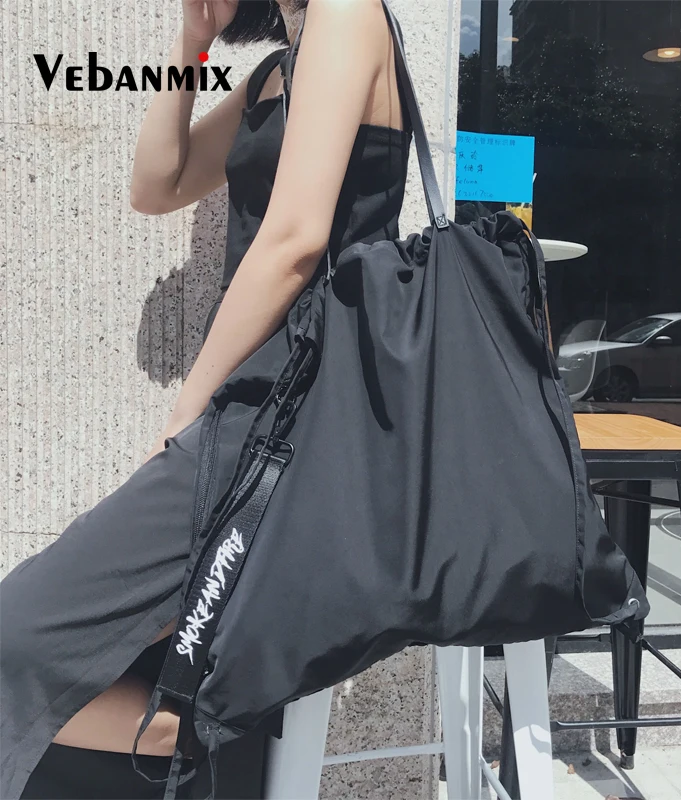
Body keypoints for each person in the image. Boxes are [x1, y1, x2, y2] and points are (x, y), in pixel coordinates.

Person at [0, 0, 411, 796]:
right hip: (258, 409)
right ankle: (212, 735)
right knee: (89, 661)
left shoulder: (348, 14)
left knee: (16, 636)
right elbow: (156, 184)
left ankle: (219, 732)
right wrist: (191, 44)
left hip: (292, 412)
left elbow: (294, 242)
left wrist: (187, 416)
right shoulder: (274, 73)